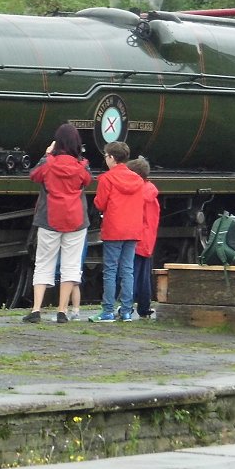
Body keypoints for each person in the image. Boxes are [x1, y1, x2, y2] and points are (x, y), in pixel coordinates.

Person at [25, 123, 92, 324]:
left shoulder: (48, 163)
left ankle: (36, 309)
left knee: (44, 262)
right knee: (71, 266)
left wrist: (46, 155)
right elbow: (88, 180)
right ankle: (62, 311)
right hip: (76, 220)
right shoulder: (82, 166)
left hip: (49, 219)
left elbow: (33, 175)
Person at [91, 140, 144, 322]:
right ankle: (127, 310)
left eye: (106, 156)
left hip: (114, 229)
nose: (105, 159)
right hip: (133, 229)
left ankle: (107, 311)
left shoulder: (107, 179)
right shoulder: (138, 179)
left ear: (112, 158)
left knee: (110, 270)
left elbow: (100, 203)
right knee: (127, 270)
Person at [127, 156, 161, 319]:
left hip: (135, 237)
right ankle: (144, 307)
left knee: (130, 274)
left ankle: (126, 306)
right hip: (147, 239)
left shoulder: (138, 194)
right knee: (144, 276)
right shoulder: (151, 192)